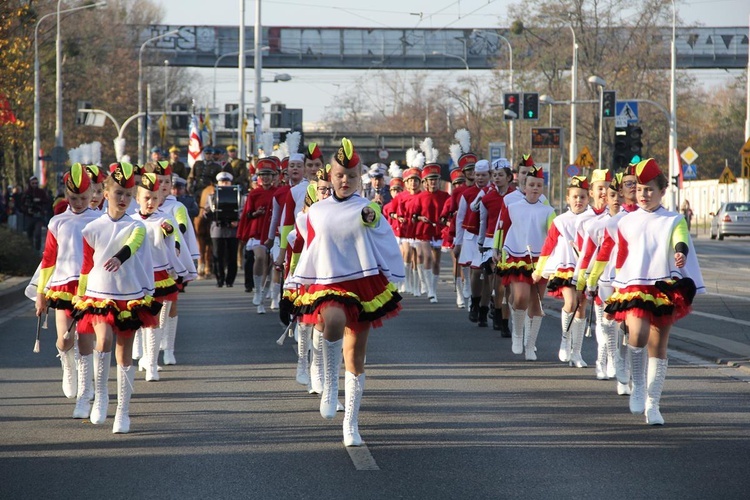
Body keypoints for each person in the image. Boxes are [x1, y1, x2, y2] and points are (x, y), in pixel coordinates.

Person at [288, 138, 404, 446]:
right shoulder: (316, 211)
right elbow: (308, 246)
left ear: (359, 179)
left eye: (351, 177)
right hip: (327, 282)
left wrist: (373, 219)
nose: (345, 181)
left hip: (361, 283)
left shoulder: (367, 208)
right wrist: (295, 278)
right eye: (340, 175)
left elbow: (383, 235)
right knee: (334, 320)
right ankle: (328, 383)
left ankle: (351, 423)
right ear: (330, 176)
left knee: (355, 356)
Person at [588, 158, 705, 425]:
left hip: (663, 286)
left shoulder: (673, 219)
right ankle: (637, 385)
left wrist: (679, 253)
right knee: (637, 335)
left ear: (663, 191)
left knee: (658, 346)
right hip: (634, 286)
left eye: (650, 189)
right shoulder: (624, 221)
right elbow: (619, 254)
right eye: (640, 189)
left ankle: (653, 404)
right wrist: (610, 280)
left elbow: (680, 239)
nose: (644, 194)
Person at [72, 162, 161, 433]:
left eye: (128, 194)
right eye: (118, 193)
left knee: (124, 354)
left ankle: (123, 411)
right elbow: (86, 265)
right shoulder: (91, 228)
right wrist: (79, 297)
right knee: (103, 339)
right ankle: (101, 397)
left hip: (128, 294)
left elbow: (133, 245)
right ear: (106, 193)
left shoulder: (137, 227)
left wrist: (119, 258)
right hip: (98, 294)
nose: (123, 199)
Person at [34, 164, 99, 418]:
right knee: (64, 340)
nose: (80, 202)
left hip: (90, 288)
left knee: (85, 341)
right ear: (66, 195)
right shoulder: (57, 222)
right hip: (62, 288)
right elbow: (48, 259)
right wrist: (41, 293)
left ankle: (85, 395)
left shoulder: (98, 219)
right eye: (74, 198)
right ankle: (67, 363)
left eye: (84, 197)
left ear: (92, 192)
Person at [495, 164, 555, 359]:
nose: (535, 188)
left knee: (536, 303)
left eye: (539, 185)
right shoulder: (512, 206)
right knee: (520, 297)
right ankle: (518, 333)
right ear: (524, 185)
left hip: (540, 260)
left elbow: (554, 236)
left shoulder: (547, 210)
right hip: (517, 256)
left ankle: (530, 345)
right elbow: (501, 228)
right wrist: (497, 249)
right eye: (531, 185)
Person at [131, 173, 184, 381]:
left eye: (154, 198)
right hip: (136, 277)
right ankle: (143, 356)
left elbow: (175, 240)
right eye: (146, 198)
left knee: (154, 319)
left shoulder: (165, 220)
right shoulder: (131, 221)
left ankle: (152, 363)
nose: (151, 202)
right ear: (138, 199)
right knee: (139, 318)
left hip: (159, 276)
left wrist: (170, 234)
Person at [533, 176, 591, 366]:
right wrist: (539, 270)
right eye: (575, 196)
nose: (578, 201)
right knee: (571, 301)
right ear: (568, 198)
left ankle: (577, 352)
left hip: (584, 269)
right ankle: (565, 339)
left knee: (582, 307)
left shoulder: (592, 220)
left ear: (588, 199)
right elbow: (547, 246)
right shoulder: (560, 221)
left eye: (582, 197)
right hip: (565, 267)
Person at [237, 150, 279, 314]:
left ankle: (262, 299)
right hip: (257, 231)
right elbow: (247, 213)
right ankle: (257, 290)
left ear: (274, 176)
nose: (266, 177)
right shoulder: (254, 193)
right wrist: (256, 213)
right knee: (260, 257)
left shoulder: (279, 192)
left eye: (269, 174)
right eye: (263, 174)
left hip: (272, 231)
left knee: (271, 264)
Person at [477, 158, 515, 334]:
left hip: (511, 242)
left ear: (509, 177)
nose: (497, 178)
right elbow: (483, 222)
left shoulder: (516, 197)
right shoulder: (487, 199)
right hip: (491, 241)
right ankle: (498, 314)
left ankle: (503, 314)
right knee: (497, 280)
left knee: (508, 284)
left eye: (501, 175)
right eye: (495, 175)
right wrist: (480, 242)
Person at [410, 140, 449, 303]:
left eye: (435, 179)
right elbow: (413, 215)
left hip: (439, 231)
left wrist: (445, 220)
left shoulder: (445, 196)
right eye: (430, 180)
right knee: (427, 257)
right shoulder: (419, 197)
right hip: (424, 231)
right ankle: (430, 289)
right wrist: (420, 218)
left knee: (437, 261)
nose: (433, 182)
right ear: (425, 182)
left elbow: (449, 213)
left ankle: (433, 286)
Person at [204, 172, 239, 288]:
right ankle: (219, 279)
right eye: (222, 182)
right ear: (217, 184)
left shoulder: (238, 195)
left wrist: (237, 221)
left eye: (226, 182)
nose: (224, 184)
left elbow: (242, 211)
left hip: (232, 230)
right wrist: (209, 212)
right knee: (217, 255)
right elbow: (206, 212)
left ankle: (230, 280)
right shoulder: (211, 197)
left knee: (232, 256)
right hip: (217, 229)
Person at [22, 175, 51, 251]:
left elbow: (47, 201)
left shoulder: (41, 192)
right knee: (29, 233)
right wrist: (26, 210)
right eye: (33, 183)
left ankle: (37, 250)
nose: (35, 185)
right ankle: (30, 250)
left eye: (36, 183)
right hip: (29, 216)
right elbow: (22, 204)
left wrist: (40, 201)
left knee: (38, 233)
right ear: (30, 183)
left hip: (38, 216)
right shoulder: (26, 193)